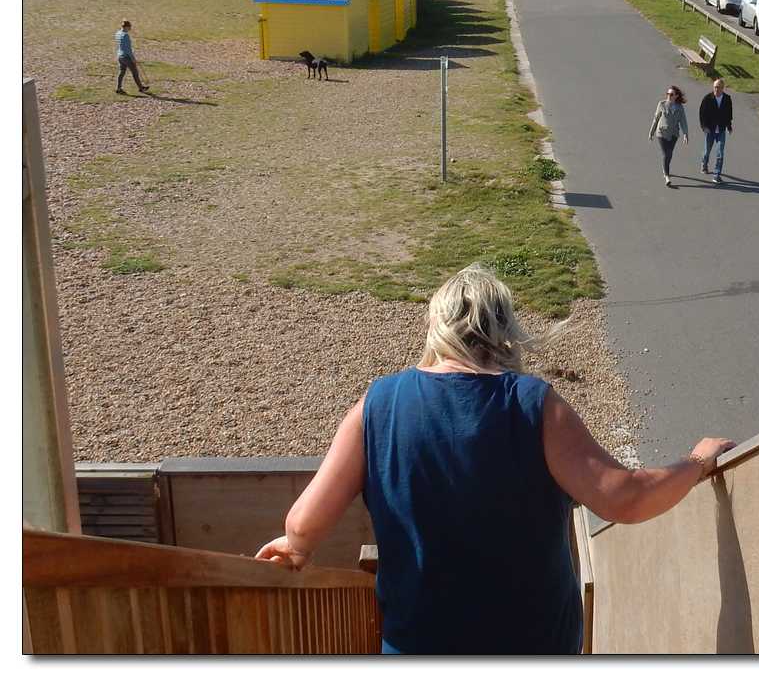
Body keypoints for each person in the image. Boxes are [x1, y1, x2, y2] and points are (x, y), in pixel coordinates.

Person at [255, 264, 734, 655]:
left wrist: (296, 548)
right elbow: (625, 500)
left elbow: (303, 526)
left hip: (418, 647)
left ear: (435, 327)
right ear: (505, 330)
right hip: (532, 644)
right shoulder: (530, 402)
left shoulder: (379, 403)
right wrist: (697, 460)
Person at [647, 85, 689, 186]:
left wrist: (685, 135)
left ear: (676, 96)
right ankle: (666, 176)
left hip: (674, 134)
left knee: (670, 153)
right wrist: (651, 133)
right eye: (668, 94)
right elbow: (656, 119)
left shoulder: (680, 108)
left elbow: (683, 122)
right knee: (666, 154)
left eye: (671, 94)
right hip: (662, 133)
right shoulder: (661, 105)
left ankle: (665, 168)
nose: (669, 96)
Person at [699, 77, 733, 184]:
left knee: (720, 153)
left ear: (723, 88)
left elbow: (729, 113)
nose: (716, 89)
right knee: (707, 151)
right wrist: (704, 127)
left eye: (718, 87)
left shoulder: (727, 99)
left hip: (721, 130)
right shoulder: (707, 98)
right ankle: (704, 163)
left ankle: (717, 174)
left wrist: (729, 126)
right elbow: (702, 114)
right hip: (709, 130)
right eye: (714, 87)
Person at [114, 20, 149, 94]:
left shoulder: (118, 33)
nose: (130, 29)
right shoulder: (125, 35)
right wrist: (133, 58)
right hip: (127, 56)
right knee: (135, 72)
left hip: (120, 56)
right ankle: (141, 87)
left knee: (121, 72)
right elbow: (128, 48)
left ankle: (118, 88)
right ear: (126, 27)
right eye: (129, 27)